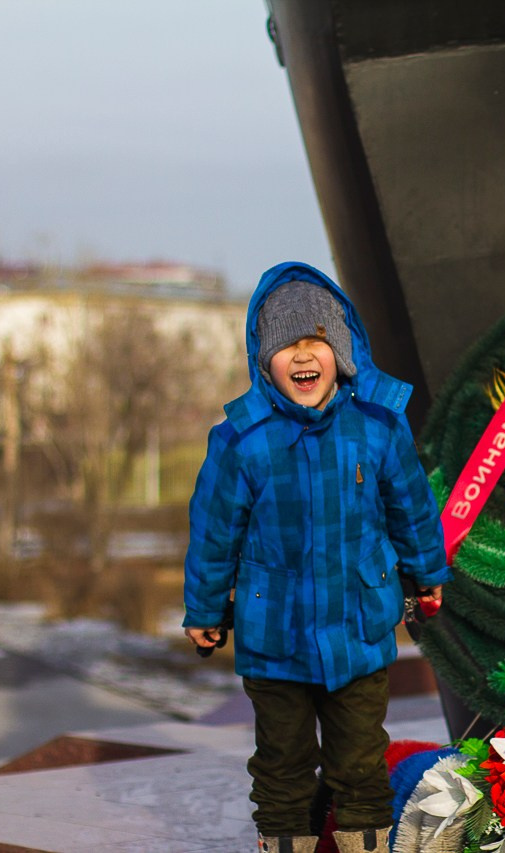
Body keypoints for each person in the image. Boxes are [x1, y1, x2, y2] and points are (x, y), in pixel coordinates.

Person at [183, 261, 451, 853]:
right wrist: (205, 609)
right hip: (273, 635)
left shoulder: (377, 426)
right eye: (288, 346)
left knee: (359, 762)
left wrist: (428, 574)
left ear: (344, 351)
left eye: (317, 343)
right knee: (282, 764)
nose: (303, 357)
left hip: (358, 626)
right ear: (264, 359)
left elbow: (411, 506)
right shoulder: (241, 439)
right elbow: (214, 531)